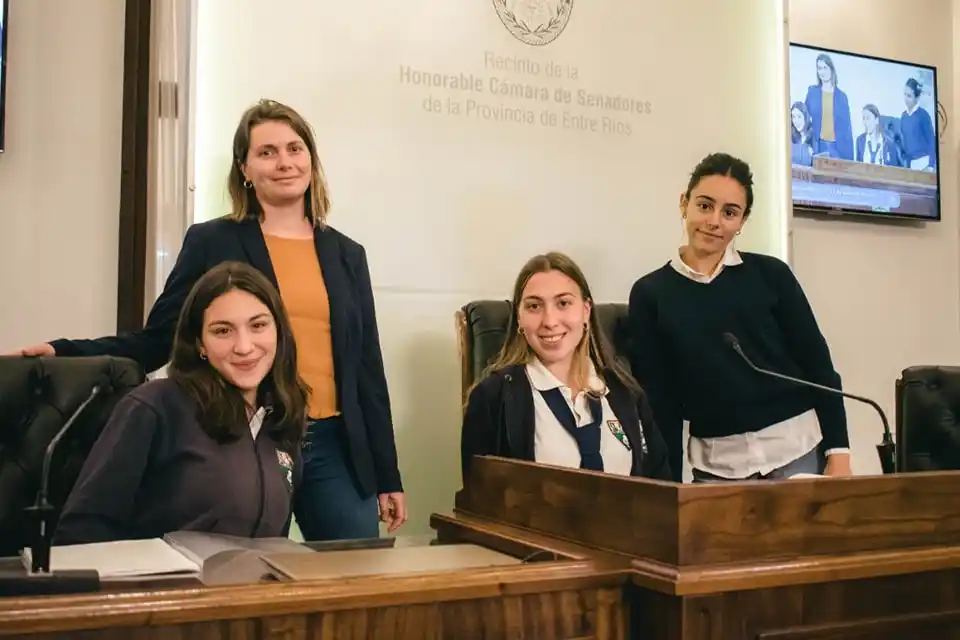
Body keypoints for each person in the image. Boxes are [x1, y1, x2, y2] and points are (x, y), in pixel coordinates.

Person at [14, 99, 406, 540]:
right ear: (244, 168)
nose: (284, 163)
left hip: (335, 443)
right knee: (240, 574)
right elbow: (158, 339)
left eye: (295, 149)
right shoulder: (212, 240)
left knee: (353, 583)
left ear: (312, 161)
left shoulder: (347, 254)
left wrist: (387, 474)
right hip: (244, 436)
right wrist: (65, 351)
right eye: (267, 152)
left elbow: (367, 369)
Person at [627, 152, 852, 483]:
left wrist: (839, 454)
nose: (715, 221)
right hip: (719, 466)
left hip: (798, 451)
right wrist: (668, 487)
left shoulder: (771, 275)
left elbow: (819, 367)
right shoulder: (650, 294)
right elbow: (662, 405)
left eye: (729, 212)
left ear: (742, 221)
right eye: (704, 206)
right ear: (683, 204)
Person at [55, 262, 308, 544]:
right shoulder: (154, 406)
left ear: (279, 332)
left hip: (247, 586)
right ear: (200, 343)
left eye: (258, 325)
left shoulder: (282, 417)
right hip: (161, 586)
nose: (244, 346)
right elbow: (81, 532)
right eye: (223, 331)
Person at [460, 252, 672, 482]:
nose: (550, 321)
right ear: (519, 318)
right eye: (534, 306)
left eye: (563, 303)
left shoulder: (626, 393)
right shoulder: (493, 397)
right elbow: (479, 501)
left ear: (586, 310)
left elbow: (661, 490)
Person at [804, 53, 854, 161]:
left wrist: (850, 160)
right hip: (817, 146)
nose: (822, 72)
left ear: (831, 70)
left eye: (825, 68)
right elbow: (805, 121)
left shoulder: (842, 97)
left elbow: (847, 130)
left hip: (837, 149)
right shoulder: (812, 92)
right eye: (819, 68)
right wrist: (805, 145)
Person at [899, 78, 937, 171]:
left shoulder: (923, 115)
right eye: (904, 94)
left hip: (924, 163)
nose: (906, 99)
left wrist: (931, 166)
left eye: (909, 96)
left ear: (917, 97)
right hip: (911, 165)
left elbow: (931, 141)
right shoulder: (904, 116)